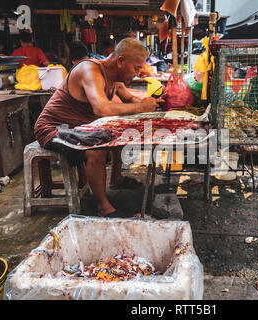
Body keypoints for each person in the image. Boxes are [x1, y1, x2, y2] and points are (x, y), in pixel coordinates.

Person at [34, 37, 163, 217]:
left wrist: (155, 103)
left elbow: (130, 99)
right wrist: (140, 107)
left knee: (120, 130)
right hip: (53, 129)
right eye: (136, 68)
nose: (139, 73)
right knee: (97, 148)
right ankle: (103, 206)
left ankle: (116, 179)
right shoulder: (90, 70)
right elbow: (101, 108)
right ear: (120, 61)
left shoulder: (114, 77)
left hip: (78, 128)